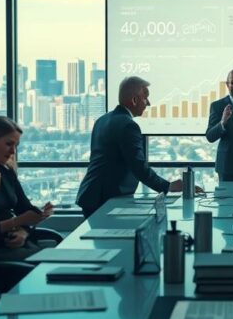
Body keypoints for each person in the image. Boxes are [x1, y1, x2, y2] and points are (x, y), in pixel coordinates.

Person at [76, 76, 190, 218]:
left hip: (92, 195)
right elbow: (139, 167)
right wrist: (169, 187)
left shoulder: (102, 120)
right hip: (105, 199)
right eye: (145, 98)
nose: (148, 103)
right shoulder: (128, 125)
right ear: (134, 100)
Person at [0, 116, 54, 261]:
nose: (13, 152)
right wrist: (17, 222)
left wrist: (24, 231)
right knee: (50, 261)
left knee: (57, 251)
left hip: (17, 244)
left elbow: (25, 210)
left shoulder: (6, 173)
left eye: (16, 146)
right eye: (9, 144)